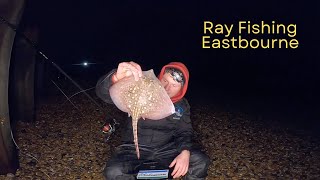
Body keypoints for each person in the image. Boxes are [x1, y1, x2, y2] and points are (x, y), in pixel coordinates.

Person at [96, 61, 210, 180]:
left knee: (200, 161)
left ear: (182, 89)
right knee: (114, 171)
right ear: (159, 78)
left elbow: (184, 131)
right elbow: (104, 94)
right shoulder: (142, 88)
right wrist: (115, 78)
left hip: (167, 149)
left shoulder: (182, 105)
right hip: (133, 150)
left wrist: (185, 151)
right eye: (165, 81)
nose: (167, 88)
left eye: (174, 85)